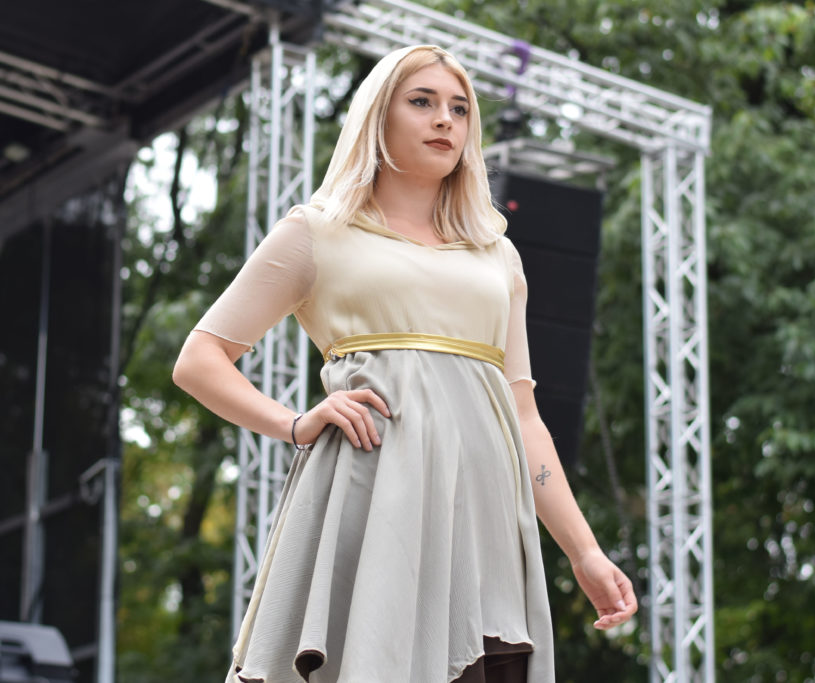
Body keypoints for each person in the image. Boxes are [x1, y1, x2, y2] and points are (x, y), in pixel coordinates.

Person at [173, 44, 637, 683]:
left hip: (481, 521)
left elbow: (524, 418)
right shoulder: (317, 232)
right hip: (372, 504)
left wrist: (584, 553)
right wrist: (294, 423)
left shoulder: (496, 255)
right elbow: (200, 359)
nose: (445, 119)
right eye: (422, 102)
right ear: (377, 117)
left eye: (460, 108)